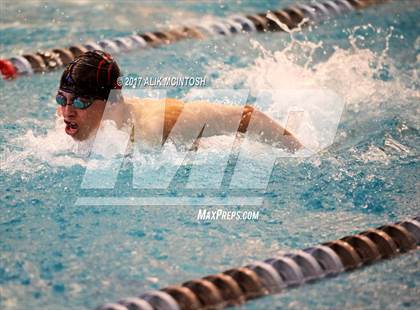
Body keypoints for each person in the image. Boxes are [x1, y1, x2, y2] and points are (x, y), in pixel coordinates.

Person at [56, 50, 302, 152]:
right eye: (62, 99)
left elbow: (247, 116)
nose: (67, 112)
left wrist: (301, 155)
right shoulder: (71, 124)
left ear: (110, 101)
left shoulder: (158, 124)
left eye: (80, 102)